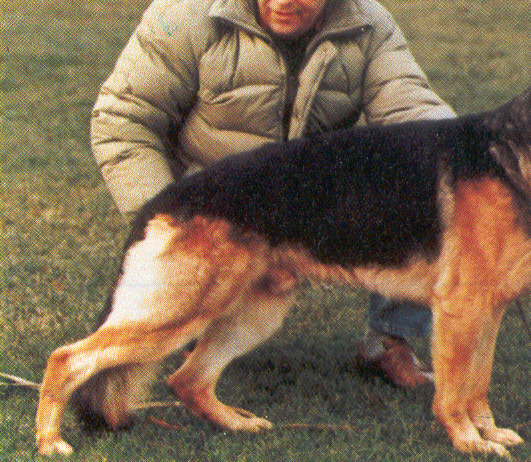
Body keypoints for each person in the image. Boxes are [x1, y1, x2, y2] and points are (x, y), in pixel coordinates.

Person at [91, 0, 455, 388]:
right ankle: (192, 322)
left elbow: (413, 110)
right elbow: (123, 120)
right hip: (209, 206)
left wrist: (461, 164)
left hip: (309, 201)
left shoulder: (368, 22)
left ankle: (389, 338)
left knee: (431, 183)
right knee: (188, 315)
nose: (282, 2)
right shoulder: (184, 15)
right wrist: (169, 221)